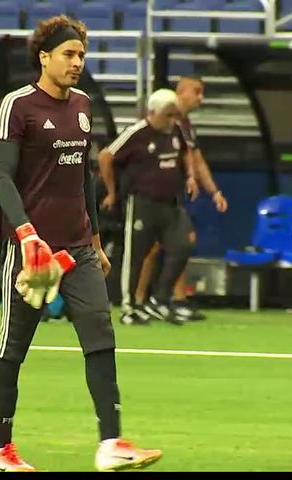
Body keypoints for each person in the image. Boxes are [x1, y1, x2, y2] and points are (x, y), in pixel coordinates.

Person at [0, 15, 162, 472]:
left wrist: (98, 241)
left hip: (79, 248)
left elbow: (83, 176)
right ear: (44, 58)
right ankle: (0, 450)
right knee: (13, 347)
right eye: (69, 54)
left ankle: (111, 444)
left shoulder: (83, 105)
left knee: (100, 334)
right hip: (32, 253)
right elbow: (2, 177)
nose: (77, 62)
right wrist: (25, 236)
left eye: (81, 54)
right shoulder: (17, 106)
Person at [98, 88, 200, 326]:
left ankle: (160, 299)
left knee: (183, 244)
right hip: (142, 202)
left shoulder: (175, 128)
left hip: (170, 203)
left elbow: (186, 152)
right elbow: (105, 156)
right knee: (135, 254)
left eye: (174, 115)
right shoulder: (137, 133)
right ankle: (129, 307)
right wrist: (112, 191)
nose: (171, 120)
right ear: (153, 112)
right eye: (167, 115)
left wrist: (190, 177)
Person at [133, 76, 228, 322]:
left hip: (174, 195)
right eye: (197, 91)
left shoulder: (184, 125)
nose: (201, 98)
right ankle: (139, 300)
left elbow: (194, 158)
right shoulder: (157, 122)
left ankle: (173, 299)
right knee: (151, 248)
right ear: (181, 91)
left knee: (182, 241)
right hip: (149, 195)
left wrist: (212, 190)